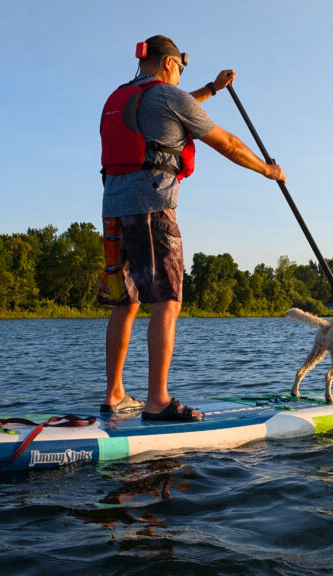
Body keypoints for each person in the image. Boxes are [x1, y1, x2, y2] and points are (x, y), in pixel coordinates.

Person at [99, 34, 286, 421]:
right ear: (168, 64)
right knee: (167, 298)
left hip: (115, 211)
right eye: (180, 70)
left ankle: (115, 393)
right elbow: (230, 144)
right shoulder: (169, 97)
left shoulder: (121, 98)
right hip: (153, 208)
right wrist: (268, 171)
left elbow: (173, 114)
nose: (182, 79)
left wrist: (213, 90)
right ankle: (157, 401)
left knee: (126, 301)